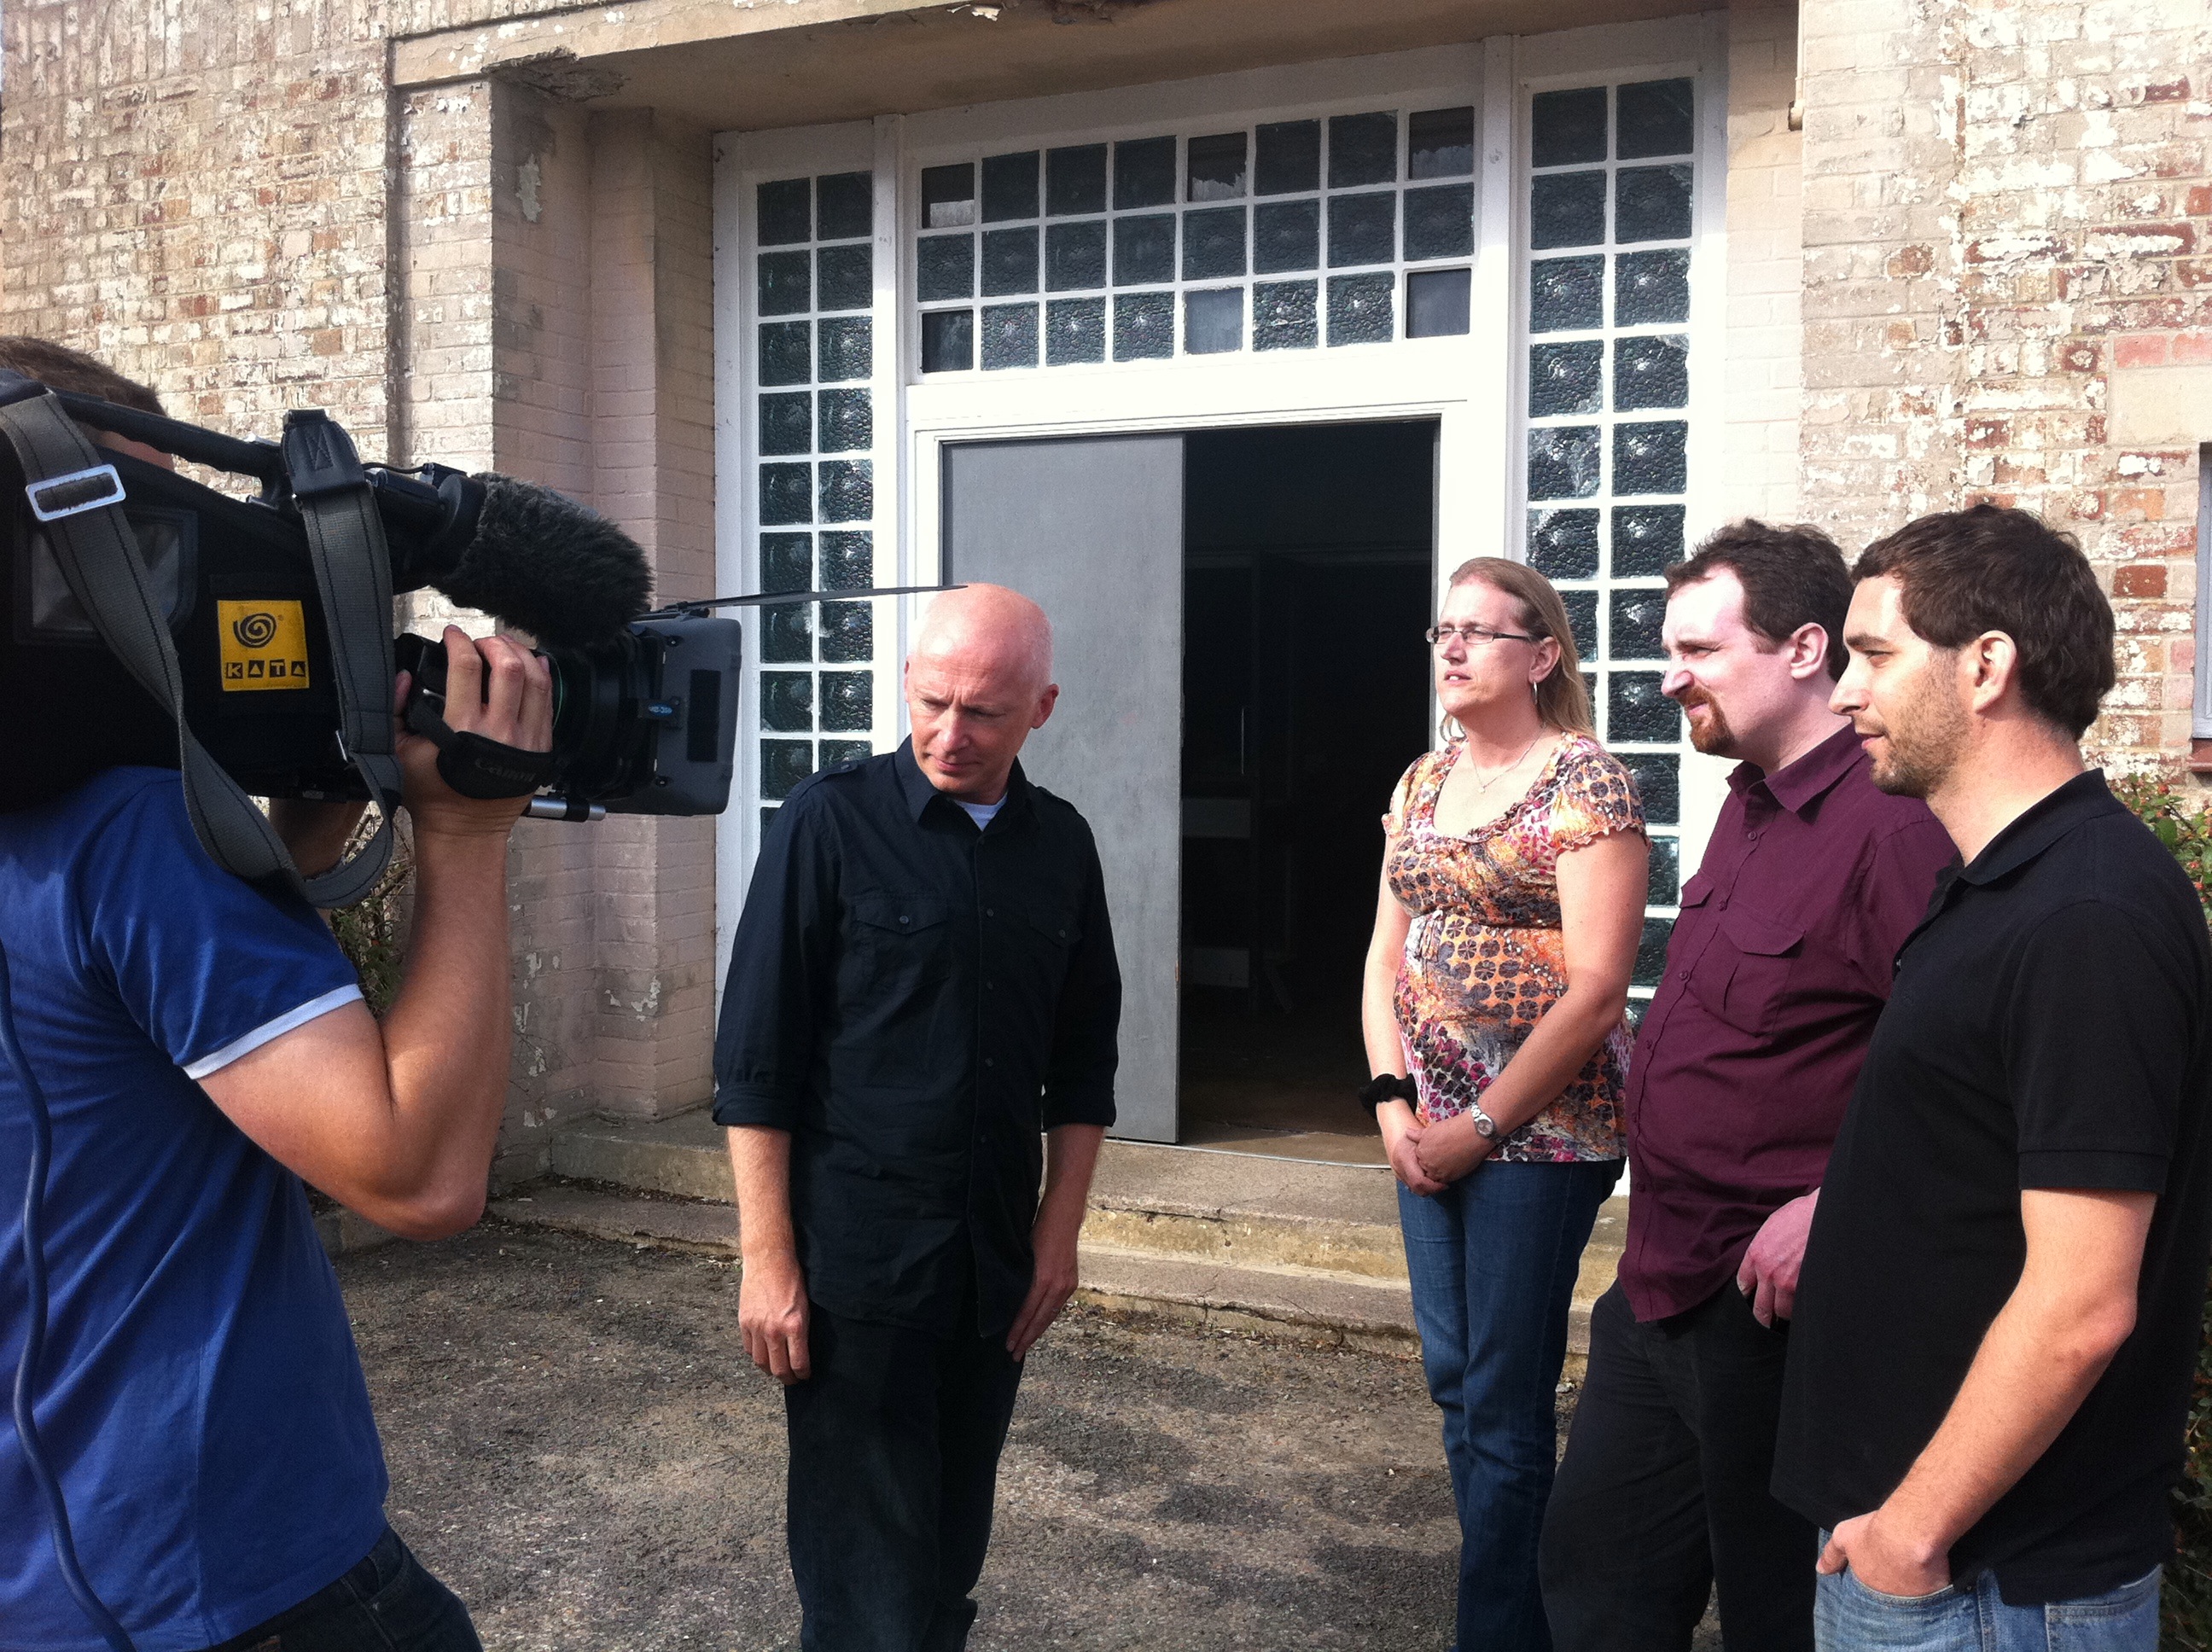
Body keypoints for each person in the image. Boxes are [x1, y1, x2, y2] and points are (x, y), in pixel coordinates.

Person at [0, 341, 552, 1648]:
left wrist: (302, 825)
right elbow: (416, 1175)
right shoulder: (121, 836)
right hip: (217, 1572)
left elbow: (131, 1065)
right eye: (128, 546)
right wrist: (469, 832)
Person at [1773, 505, 2212, 1650]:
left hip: (1988, 1584)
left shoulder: (2088, 915)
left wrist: (1912, 1532)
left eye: (1873, 655)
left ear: (1985, 665)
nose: (1844, 694)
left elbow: (2083, 1301)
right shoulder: (1999, 881)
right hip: (1934, 1559)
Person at [1539, 523, 1956, 1652]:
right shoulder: (1749, 801)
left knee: (1781, 1615)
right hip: (1659, 1283)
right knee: (1595, 1583)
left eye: (1700, 651)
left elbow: (1965, 1073)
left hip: (1773, 1324)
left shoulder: (1892, 827)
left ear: (1806, 648)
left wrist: (1839, 1204)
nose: (1671, 678)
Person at [713, 583, 1121, 1652]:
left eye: (983, 712)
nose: (950, 732)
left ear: (1041, 708)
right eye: (933, 700)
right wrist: (767, 1257)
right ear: (905, 682)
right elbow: (757, 1060)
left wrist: (1059, 1233)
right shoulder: (827, 823)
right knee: (865, 1598)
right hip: (858, 1272)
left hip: (993, 1270)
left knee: (946, 1567)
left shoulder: (1063, 846)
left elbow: (1085, 1064)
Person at [1359, 556, 1649, 1652]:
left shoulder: (1585, 781)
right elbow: (1385, 956)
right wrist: (1393, 1104)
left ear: (1541, 656)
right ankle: (1517, 1611)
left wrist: (1479, 1129)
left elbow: (1597, 990)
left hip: (1542, 1137)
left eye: (1480, 631)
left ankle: (1498, 1632)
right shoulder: (1421, 781)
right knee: (1455, 1379)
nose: (1454, 646)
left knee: (1503, 1392)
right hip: (1424, 1126)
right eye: (1445, 629)